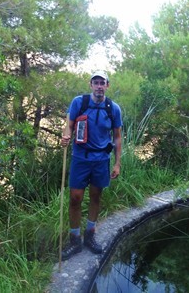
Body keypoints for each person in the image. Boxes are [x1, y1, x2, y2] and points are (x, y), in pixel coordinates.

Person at [61, 70, 122, 260]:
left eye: (102, 82)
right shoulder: (79, 102)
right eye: (96, 82)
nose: (99, 86)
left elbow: (118, 137)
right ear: (91, 85)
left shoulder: (113, 108)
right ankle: (74, 239)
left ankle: (90, 235)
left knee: (96, 196)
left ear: (107, 85)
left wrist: (117, 163)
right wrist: (65, 135)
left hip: (101, 159)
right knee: (75, 198)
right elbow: (69, 125)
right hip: (80, 158)